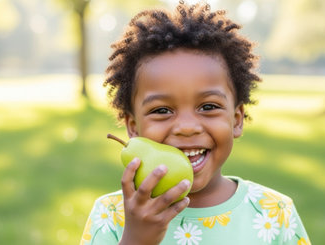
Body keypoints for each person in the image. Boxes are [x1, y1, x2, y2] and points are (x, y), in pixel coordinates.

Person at [81, 1, 310, 244]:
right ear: (134, 128)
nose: (187, 127)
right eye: (162, 110)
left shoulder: (274, 213)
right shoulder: (111, 215)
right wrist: (136, 239)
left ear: (236, 120)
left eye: (208, 107)